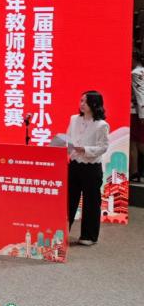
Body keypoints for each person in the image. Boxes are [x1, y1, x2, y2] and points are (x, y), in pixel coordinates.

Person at [66, 91, 110, 246]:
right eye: (81, 101)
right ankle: (62, 231)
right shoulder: (74, 119)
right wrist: (67, 146)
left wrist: (84, 149)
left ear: (94, 104)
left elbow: (103, 147)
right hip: (74, 164)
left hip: (91, 167)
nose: (82, 104)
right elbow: (68, 138)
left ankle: (88, 236)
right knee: (69, 200)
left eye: (85, 101)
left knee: (91, 201)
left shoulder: (101, 125)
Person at [130, 52, 144, 182]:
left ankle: (134, 172)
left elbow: (140, 94)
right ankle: (134, 172)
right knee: (138, 141)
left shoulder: (135, 73)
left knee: (135, 142)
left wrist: (142, 115)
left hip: (136, 112)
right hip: (139, 112)